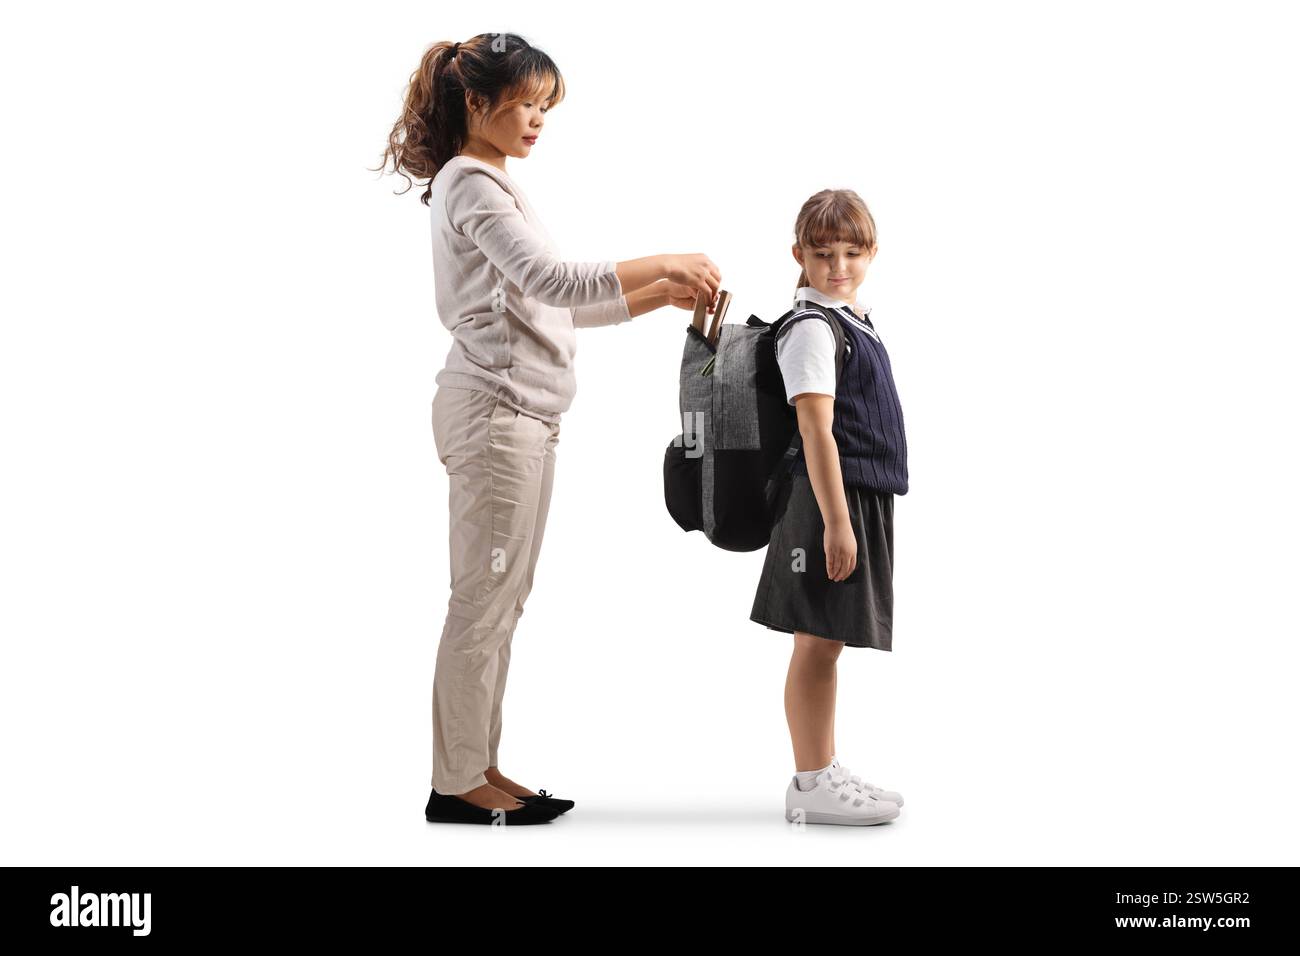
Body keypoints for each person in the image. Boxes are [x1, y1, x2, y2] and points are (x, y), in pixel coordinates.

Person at [375, 33, 721, 824]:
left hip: (522, 417)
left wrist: (662, 294)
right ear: (477, 104)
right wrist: (664, 258)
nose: (537, 120)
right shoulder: (471, 184)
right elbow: (551, 278)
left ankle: (478, 766)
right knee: (482, 600)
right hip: (496, 415)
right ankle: (456, 783)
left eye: (543, 106)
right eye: (526, 103)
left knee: (503, 599)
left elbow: (551, 302)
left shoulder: (491, 182)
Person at [749, 189, 910, 826]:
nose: (837, 264)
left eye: (851, 251)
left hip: (850, 497)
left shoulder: (850, 318)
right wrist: (837, 524)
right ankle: (812, 783)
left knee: (829, 640)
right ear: (799, 255)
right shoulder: (813, 329)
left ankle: (822, 769)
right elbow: (817, 432)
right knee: (817, 643)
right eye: (822, 253)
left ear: (871, 253)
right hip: (826, 502)